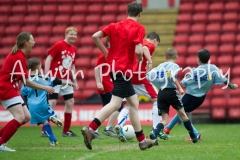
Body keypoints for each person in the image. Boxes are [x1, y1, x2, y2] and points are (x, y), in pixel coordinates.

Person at [81, 1, 158, 150]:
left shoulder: (115, 25)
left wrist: (106, 53)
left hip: (114, 68)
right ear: (140, 14)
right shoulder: (139, 28)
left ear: (127, 12)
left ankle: (142, 140)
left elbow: (96, 36)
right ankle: (90, 129)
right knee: (115, 104)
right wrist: (141, 60)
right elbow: (137, 50)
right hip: (125, 69)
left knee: (133, 104)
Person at [164, 48, 238, 141]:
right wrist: (231, 86)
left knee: (182, 115)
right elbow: (223, 79)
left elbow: (183, 82)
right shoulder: (213, 68)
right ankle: (168, 128)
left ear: (198, 58)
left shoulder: (194, 71)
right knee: (181, 113)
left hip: (190, 97)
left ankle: (196, 134)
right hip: (201, 98)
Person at [0, 32, 54, 152]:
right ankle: (1, 143)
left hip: (10, 88)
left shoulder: (19, 55)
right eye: (32, 40)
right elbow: (27, 82)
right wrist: (44, 87)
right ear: (26, 43)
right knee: (20, 117)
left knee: (26, 117)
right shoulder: (18, 57)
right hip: (6, 89)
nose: (34, 42)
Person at [115, 32, 162, 142]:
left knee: (130, 104)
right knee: (157, 99)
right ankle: (155, 129)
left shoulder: (139, 43)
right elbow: (146, 48)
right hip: (140, 78)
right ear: (155, 40)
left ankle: (119, 124)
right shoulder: (149, 45)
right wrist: (150, 61)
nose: (155, 47)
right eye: (157, 44)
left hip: (130, 76)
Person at [147, 48, 198, 143]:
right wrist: (180, 88)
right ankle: (193, 136)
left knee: (164, 120)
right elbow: (172, 77)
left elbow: (149, 76)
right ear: (177, 57)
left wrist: (158, 84)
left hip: (161, 93)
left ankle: (155, 132)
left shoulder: (159, 67)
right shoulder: (174, 66)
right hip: (171, 92)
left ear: (165, 57)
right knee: (183, 114)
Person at [21, 58, 74, 146]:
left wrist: (26, 106)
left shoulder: (26, 81)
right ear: (38, 66)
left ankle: (53, 140)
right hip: (43, 105)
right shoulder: (45, 78)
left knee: (44, 122)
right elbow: (58, 81)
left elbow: (24, 94)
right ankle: (53, 116)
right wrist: (68, 83)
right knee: (47, 117)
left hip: (32, 107)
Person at [44, 27, 79, 137]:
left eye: (75, 35)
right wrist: (46, 76)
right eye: (71, 34)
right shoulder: (59, 45)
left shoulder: (73, 49)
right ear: (66, 34)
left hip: (66, 79)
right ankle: (45, 129)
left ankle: (66, 130)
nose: (73, 36)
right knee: (52, 103)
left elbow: (72, 65)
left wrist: (75, 80)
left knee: (70, 102)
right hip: (55, 78)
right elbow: (49, 59)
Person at [94, 37, 124, 139]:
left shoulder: (114, 53)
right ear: (107, 42)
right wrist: (98, 82)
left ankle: (94, 129)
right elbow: (97, 68)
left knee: (106, 108)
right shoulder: (105, 53)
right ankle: (108, 128)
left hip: (111, 84)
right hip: (106, 84)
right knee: (118, 105)